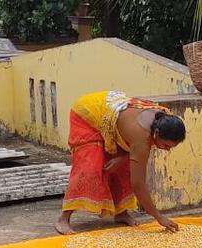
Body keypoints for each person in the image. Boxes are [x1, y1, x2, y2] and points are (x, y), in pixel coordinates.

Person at [55, 90, 187, 235]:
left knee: (123, 167)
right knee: (89, 167)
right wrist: (159, 217)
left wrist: (122, 157)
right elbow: (138, 185)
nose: (167, 150)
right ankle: (63, 218)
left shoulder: (162, 118)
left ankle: (121, 212)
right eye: (166, 146)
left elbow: (133, 147)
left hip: (112, 119)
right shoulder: (141, 138)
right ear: (155, 134)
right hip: (87, 113)